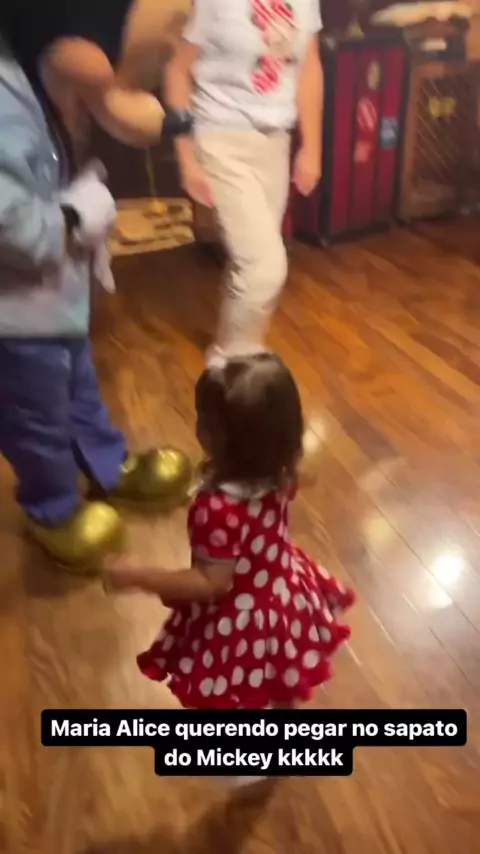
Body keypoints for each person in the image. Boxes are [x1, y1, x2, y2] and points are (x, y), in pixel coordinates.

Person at [0, 1, 193, 569]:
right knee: (35, 414)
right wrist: (71, 216)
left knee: (80, 389)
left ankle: (108, 466)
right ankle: (53, 508)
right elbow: (8, 219)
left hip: (54, 296)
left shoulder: (31, 73)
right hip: (13, 316)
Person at [106, 353, 354, 785]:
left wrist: (139, 576)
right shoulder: (281, 469)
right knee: (276, 672)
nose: (196, 424)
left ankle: (247, 765)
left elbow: (211, 582)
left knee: (236, 694)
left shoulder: (217, 508)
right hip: (282, 591)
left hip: (241, 618)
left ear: (225, 440)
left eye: (204, 420)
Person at [164, 0, 324, 365]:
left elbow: (309, 67)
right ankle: (229, 362)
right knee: (264, 266)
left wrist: (311, 148)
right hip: (221, 140)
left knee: (250, 265)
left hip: (276, 142)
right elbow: (176, 72)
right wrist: (187, 159)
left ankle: (243, 348)